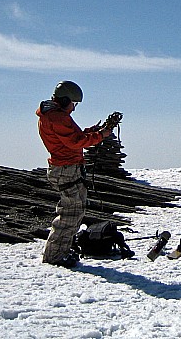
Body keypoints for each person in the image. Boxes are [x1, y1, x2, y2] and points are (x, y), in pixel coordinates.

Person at [36, 80, 111, 267]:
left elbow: (72, 137)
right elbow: (75, 142)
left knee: (75, 211)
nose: (74, 108)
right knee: (70, 214)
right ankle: (54, 256)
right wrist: (100, 136)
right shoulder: (58, 117)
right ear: (64, 100)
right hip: (66, 169)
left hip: (68, 168)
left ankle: (61, 250)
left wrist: (91, 132)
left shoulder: (56, 115)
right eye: (73, 104)